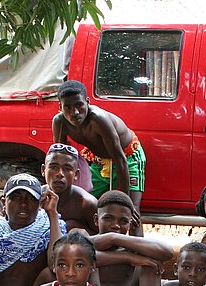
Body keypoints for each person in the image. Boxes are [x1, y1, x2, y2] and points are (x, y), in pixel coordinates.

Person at [52, 80, 145, 235]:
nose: (74, 112)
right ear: (60, 107)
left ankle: (138, 256)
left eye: (79, 105)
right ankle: (96, 249)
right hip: (98, 162)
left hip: (127, 158)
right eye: (67, 107)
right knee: (89, 207)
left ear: (87, 102)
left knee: (131, 212)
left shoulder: (98, 119)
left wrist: (125, 201)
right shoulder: (60, 122)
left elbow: (120, 158)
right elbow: (60, 158)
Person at [42, 143, 99, 234]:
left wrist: (73, 227)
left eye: (67, 169)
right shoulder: (35, 198)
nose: (60, 173)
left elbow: (102, 238)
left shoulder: (87, 204)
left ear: (76, 174)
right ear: (43, 170)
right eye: (53, 167)